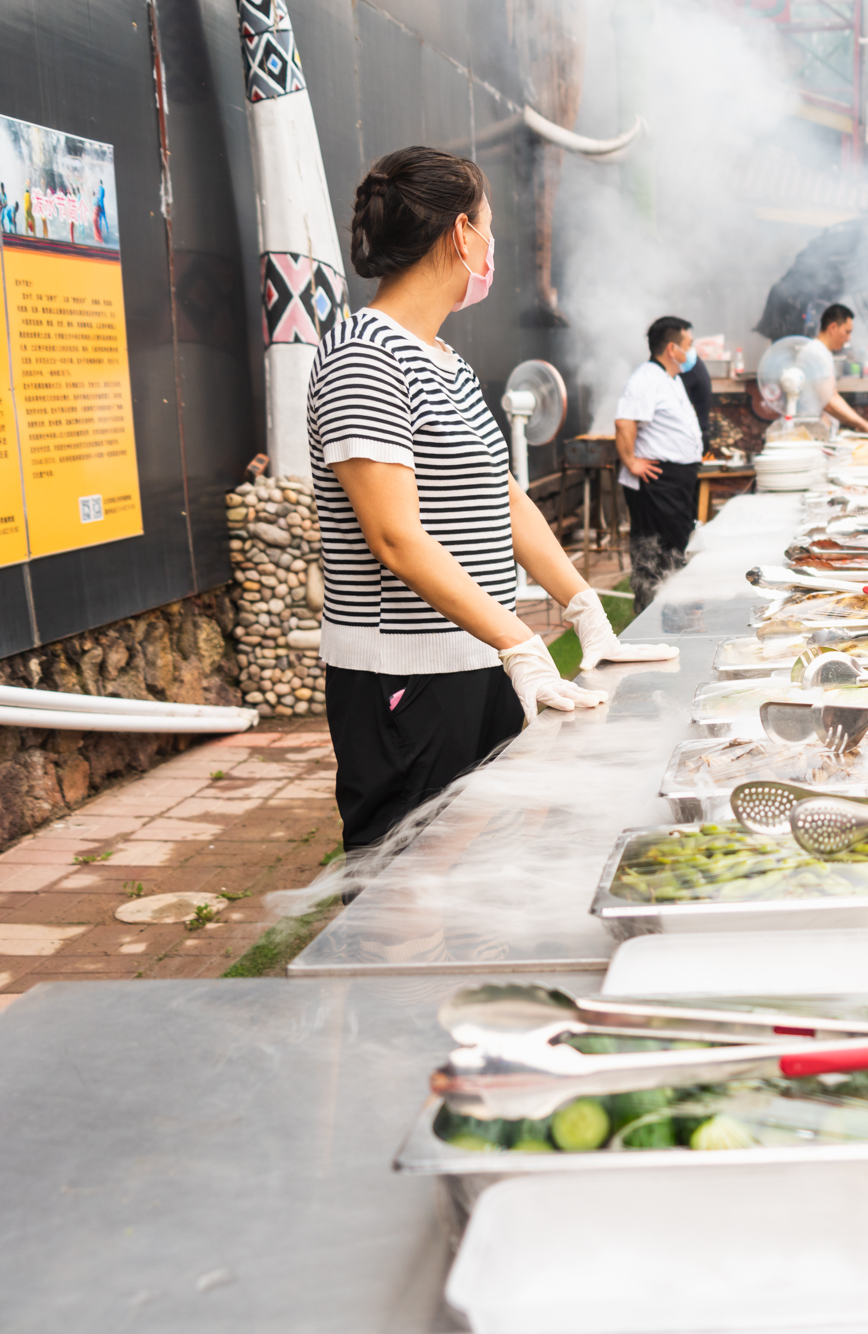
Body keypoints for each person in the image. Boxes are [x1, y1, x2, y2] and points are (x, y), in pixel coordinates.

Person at [309, 147, 665, 857]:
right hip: (406, 679)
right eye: (490, 225)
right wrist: (518, 639)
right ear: (460, 234)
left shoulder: (448, 361)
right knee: (408, 892)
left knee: (483, 869)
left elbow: (501, 497)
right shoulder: (362, 355)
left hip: (481, 662)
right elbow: (395, 538)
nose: (491, 244)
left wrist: (583, 608)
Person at [615, 316, 706, 610]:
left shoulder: (672, 378)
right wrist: (631, 461)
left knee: (675, 546)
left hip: (677, 479)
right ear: (672, 348)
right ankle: (651, 618)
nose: (692, 352)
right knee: (655, 553)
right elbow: (624, 421)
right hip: (657, 481)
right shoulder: (645, 378)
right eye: (689, 345)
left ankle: (674, 612)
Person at [802, 303, 868, 433]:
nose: (848, 338)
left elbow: (833, 395)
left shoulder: (823, 352)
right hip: (812, 432)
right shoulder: (816, 353)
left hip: (820, 432)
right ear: (833, 327)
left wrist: (861, 424)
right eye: (847, 332)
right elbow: (829, 401)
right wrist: (864, 425)